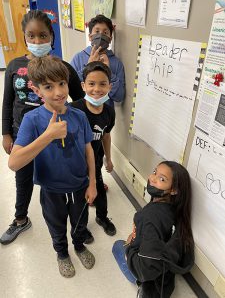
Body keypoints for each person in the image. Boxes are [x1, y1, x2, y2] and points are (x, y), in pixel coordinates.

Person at [8, 55, 97, 278]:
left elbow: (88, 151)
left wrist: (93, 183)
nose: (58, 92)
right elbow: (14, 162)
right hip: (52, 190)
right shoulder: (32, 119)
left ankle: (78, 246)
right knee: (56, 227)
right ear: (38, 91)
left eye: (62, 84)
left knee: (80, 222)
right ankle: (62, 253)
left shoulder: (79, 116)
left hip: (79, 185)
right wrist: (47, 136)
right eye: (49, 87)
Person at [1, 10, 84, 245]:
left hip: (57, 136)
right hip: (23, 133)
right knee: (23, 177)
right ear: (25, 37)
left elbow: (79, 102)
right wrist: (6, 133)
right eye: (32, 36)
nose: (37, 42)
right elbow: (7, 102)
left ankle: (75, 222)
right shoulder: (14, 66)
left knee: (56, 176)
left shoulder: (64, 68)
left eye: (43, 36)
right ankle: (20, 218)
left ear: (52, 37)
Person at [114, 161, 194, 297]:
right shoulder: (175, 208)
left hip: (150, 282)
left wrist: (130, 247)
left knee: (117, 246)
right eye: (155, 172)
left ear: (174, 190)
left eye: (162, 179)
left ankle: (141, 287)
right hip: (165, 280)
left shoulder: (151, 217)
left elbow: (145, 269)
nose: (152, 178)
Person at [71, 61, 116, 243]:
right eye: (91, 84)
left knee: (99, 190)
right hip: (74, 165)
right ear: (83, 86)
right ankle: (81, 228)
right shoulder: (74, 109)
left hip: (95, 162)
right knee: (79, 199)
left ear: (109, 86)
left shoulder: (109, 112)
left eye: (102, 84)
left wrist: (109, 159)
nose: (97, 89)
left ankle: (102, 217)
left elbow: (105, 136)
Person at [70, 14, 125, 108]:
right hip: (80, 111)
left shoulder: (116, 63)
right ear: (90, 36)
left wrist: (109, 72)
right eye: (97, 31)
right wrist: (88, 66)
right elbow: (70, 88)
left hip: (105, 114)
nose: (101, 35)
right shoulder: (78, 58)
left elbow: (119, 97)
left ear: (110, 39)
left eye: (105, 32)